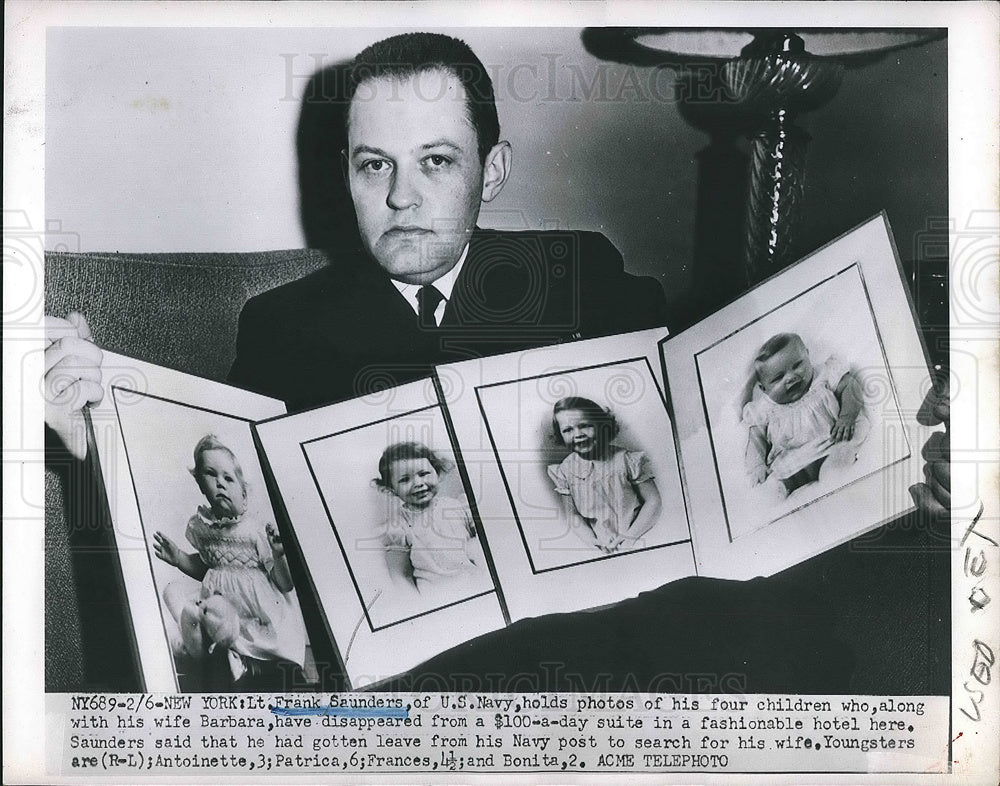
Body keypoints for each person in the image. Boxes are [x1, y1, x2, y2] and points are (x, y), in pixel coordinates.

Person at [43, 31, 951, 692]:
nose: (400, 196)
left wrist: (911, 461)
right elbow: (237, 498)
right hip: (423, 679)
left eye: (436, 161)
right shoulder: (283, 328)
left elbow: (710, 445)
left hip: (616, 656)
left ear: (496, 169)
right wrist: (104, 441)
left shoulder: (581, 273)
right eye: (372, 166)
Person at [152, 435, 307, 689]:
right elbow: (207, 568)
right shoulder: (203, 528)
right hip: (222, 609)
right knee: (174, 591)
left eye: (228, 478)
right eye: (210, 475)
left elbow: (285, 583)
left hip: (258, 612)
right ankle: (213, 650)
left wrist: (279, 554)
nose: (220, 484)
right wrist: (179, 558)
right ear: (201, 485)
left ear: (244, 494)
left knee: (267, 647)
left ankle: (247, 661)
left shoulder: (255, 529)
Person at [742, 332, 870, 497]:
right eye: (778, 378)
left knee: (836, 466)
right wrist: (757, 466)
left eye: (797, 365)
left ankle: (834, 482)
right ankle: (779, 491)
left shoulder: (823, 376)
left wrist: (847, 417)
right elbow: (755, 440)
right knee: (775, 484)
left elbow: (851, 387)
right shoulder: (764, 409)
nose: (791, 377)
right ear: (763, 388)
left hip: (831, 443)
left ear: (808, 356)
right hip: (794, 460)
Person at [547, 396, 662, 554]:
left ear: (602, 426)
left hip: (640, 532)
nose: (577, 434)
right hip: (601, 543)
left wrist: (630, 537)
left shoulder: (626, 460)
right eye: (568, 430)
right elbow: (572, 515)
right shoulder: (565, 471)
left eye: (585, 426)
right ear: (560, 435)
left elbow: (653, 501)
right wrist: (591, 541)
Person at [373, 441, 486, 594]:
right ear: (391, 489)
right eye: (405, 480)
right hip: (436, 595)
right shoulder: (398, 527)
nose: (418, 483)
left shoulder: (457, 506)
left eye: (424, 474)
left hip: (476, 586)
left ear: (437, 473)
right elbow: (401, 576)